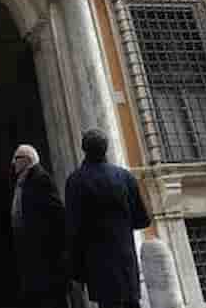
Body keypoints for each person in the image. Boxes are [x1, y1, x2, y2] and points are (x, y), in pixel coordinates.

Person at [65, 129, 151, 308]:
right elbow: (143, 220)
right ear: (106, 149)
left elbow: (74, 228)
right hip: (125, 258)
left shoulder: (75, 181)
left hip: (97, 263)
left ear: (84, 149)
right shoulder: (125, 176)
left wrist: (76, 270)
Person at [10, 143, 67, 308]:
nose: (13, 163)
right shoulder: (24, 179)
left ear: (27, 160)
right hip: (31, 251)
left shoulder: (41, 179)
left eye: (16, 158)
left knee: (50, 298)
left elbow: (57, 214)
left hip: (44, 254)